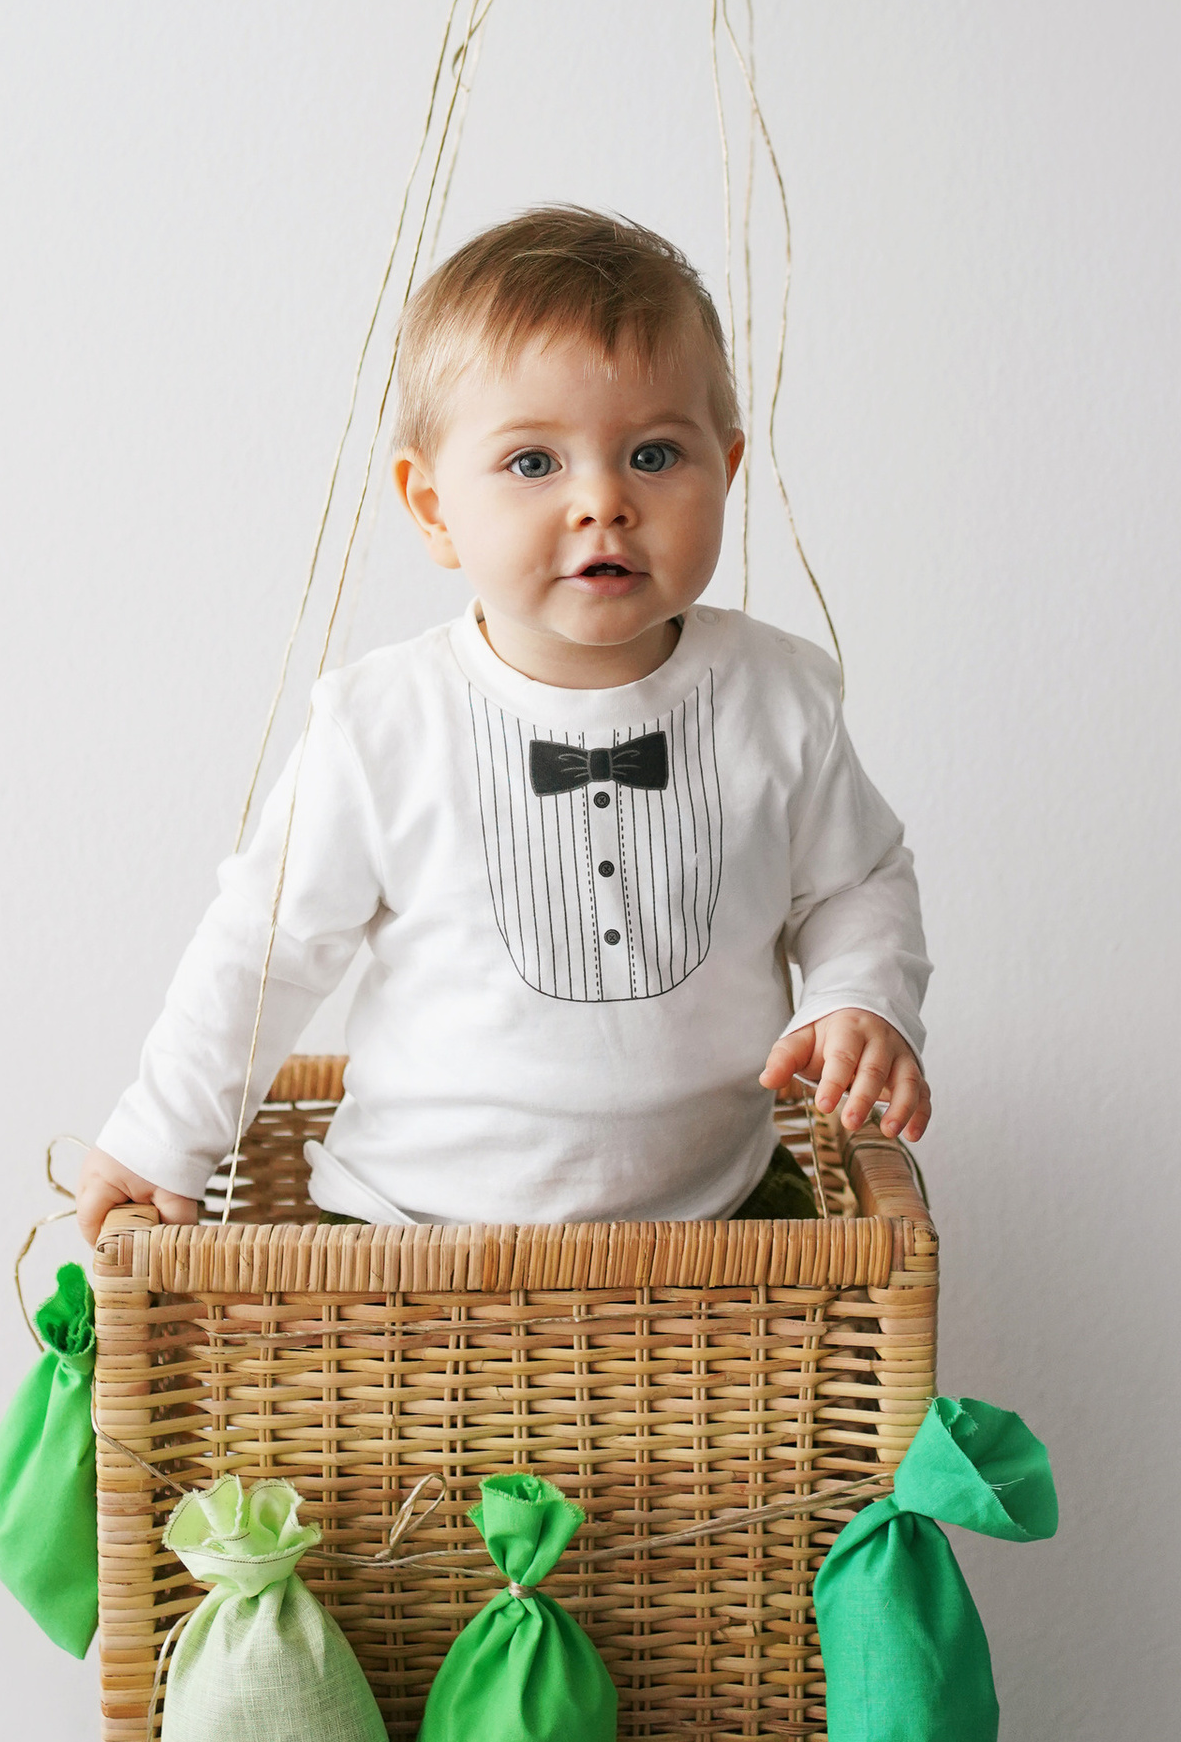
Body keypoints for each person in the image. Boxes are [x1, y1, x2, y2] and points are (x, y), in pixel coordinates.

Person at [72, 205, 929, 1239]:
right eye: (535, 464)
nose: (602, 502)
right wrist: (160, 1139)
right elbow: (263, 948)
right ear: (432, 508)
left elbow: (857, 880)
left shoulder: (775, 696)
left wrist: (858, 994)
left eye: (655, 456)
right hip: (409, 1231)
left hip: (721, 1216)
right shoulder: (381, 725)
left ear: (728, 470)